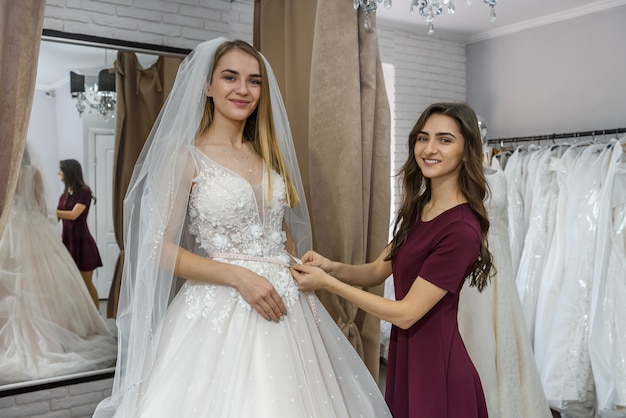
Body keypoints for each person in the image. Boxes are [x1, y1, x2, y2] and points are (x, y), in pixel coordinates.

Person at [93, 38, 391, 418]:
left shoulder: (268, 154)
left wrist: (300, 264)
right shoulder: (185, 156)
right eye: (230, 77)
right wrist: (239, 277)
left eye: (254, 81)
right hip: (218, 308)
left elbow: (274, 231)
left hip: (287, 305)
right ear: (207, 86)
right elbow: (158, 249)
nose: (242, 89)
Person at [291, 102, 493, 418]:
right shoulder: (419, 209)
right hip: (408, 359)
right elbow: (375, 271)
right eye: (423, 138)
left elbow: (407, 313)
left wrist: (327, 284)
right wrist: (329, 266)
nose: (429, 148)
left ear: (467, 151)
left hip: (438, 370)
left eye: (445, 139)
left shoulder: (462, 229)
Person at [0, 144, 117, 384]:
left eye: (61, 170)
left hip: (76, 239)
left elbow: (65, 213)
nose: (58, 173)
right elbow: (41, 204)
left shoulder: (82, 191)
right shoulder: (50, 182)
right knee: (46, 282)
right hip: (49, 233)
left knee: (73, 283)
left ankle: (90, 315)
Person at [56, 158, 103, 307]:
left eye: (61, 170)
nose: (58, 173)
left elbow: (73, 214)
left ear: (69, 172)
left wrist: (50, 211)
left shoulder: (85, 192)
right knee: (71, 287)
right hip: (68, 245)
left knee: (86, 284)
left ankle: (97, 320)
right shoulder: (63, 196)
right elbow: (55, 218)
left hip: (83, 245)